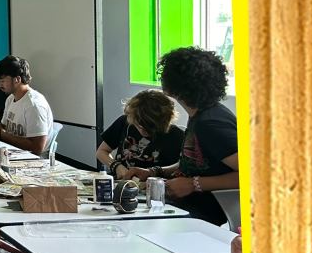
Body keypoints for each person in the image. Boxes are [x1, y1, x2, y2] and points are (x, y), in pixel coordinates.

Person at [127, 46, 238, 225]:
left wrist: (192, 184)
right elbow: (198, 162)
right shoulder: (202, 115)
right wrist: (154, 172)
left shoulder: (210, 124)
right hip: (184, 207)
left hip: (199, 216)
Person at [97, 89, 184, 178]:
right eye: (138, 125)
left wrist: (153, 172)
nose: (143, 131)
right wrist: (116, 166)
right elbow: (102, 151)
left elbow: (181, 167)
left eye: (149, 128)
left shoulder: (177, 136)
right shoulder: (124, 122)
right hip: (120, 183)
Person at [0, 55, 53, 155]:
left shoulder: (34, 105)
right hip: (14, 151)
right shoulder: (11, 99)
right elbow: (4, 126)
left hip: (34, 159)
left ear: (17, 79)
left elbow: (37, 148)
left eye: (2, 81)